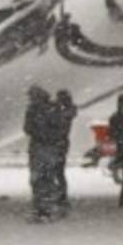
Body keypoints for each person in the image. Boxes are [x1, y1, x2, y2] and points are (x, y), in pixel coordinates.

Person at [23, 85, 57, 221]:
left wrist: (38, 134)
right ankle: (47, 209)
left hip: (38, 147)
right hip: (52, 148)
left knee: (37, 179)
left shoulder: (32, 110)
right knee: (48, 178)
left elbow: (27, 128)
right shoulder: (54, 108)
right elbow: (60, 127)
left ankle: (40, 209)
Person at [49, 89, 76, 217]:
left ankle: (60, 196)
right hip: (60, 142)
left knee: (57, 171)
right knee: (58, 171)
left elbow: (60, 121)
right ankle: (60, 196)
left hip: (59, 142)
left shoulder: (65, 112)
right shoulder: (67, 110)